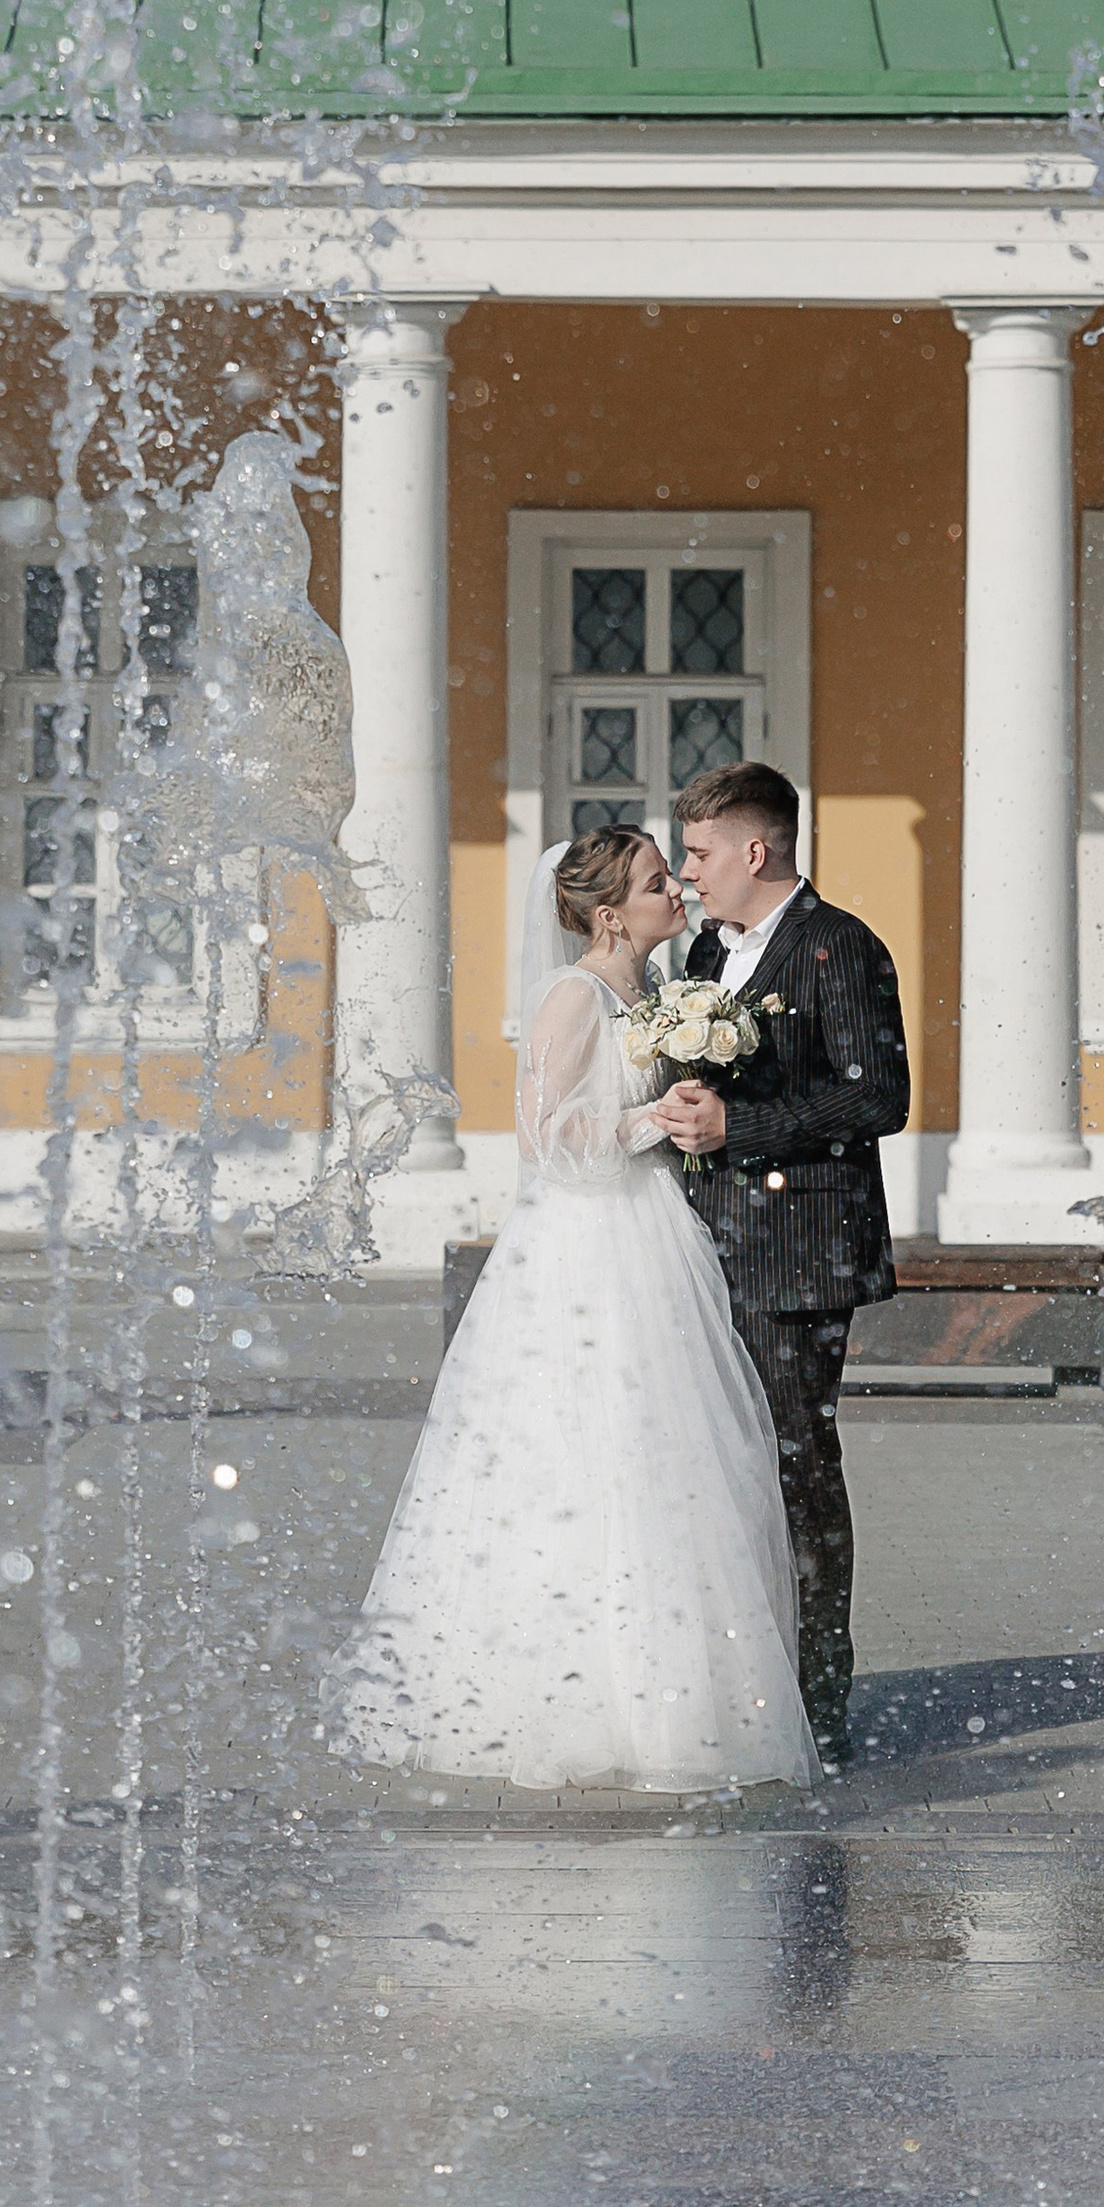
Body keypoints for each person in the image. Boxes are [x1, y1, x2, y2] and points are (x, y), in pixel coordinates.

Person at [325, 827, 815, 1796]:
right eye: (649, 882)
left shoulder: (654, 992)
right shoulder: (572, 994)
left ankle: (673, 1692)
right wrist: (651, 1118)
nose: (673, 888)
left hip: (648, 1235)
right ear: (606, 915)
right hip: (580, 1252)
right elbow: (546, 1138)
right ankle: (556, 1692)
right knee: (577, 1455)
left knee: (662, 1459)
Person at [663, 762, 911, 1771]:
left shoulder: (838, 946)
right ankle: (742, 1677)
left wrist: (741, 1124)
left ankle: (818, 1697)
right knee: (724, 1467)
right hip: (706, 1242)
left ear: (753, 850)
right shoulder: (703, 948)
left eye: (699, 851)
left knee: (794, 1463)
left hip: (799, 1248)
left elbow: (877, 1098)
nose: (686, 874)